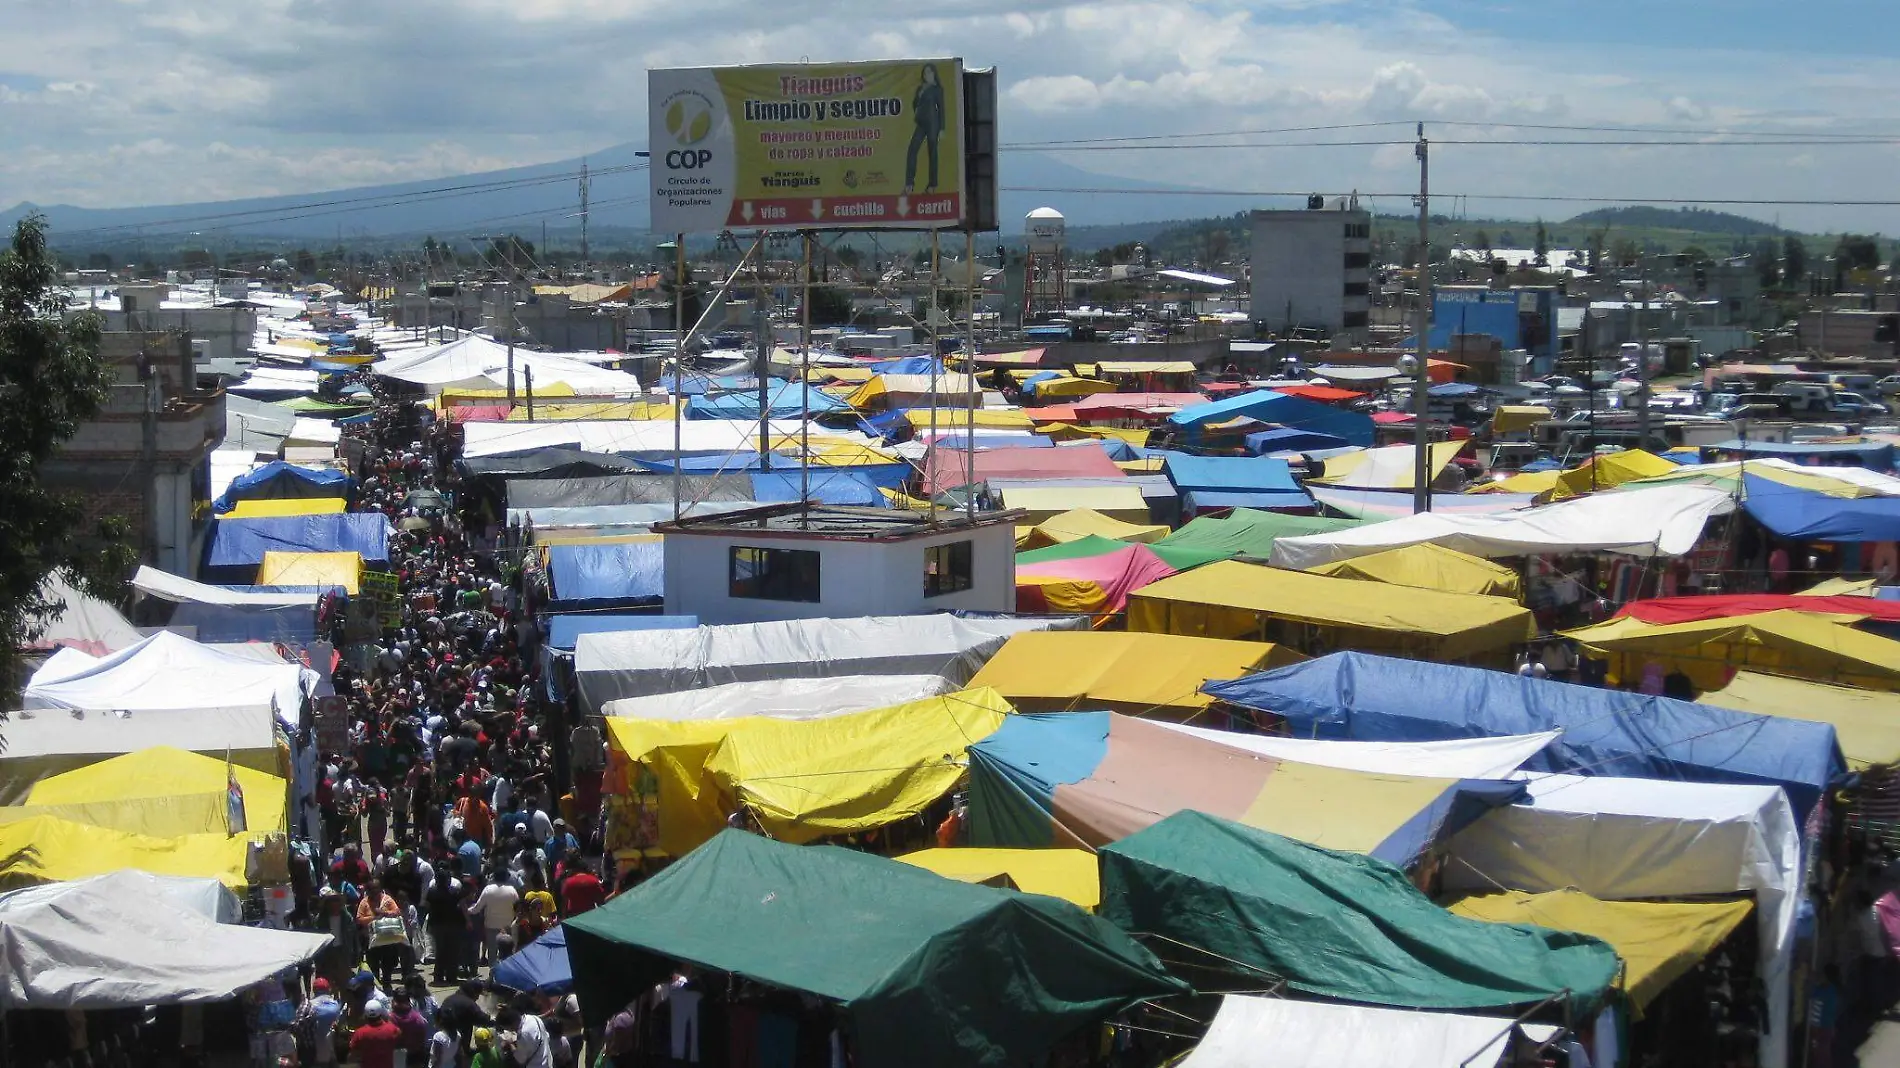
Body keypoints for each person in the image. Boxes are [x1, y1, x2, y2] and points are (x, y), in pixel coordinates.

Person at [902, 63, 945, 194]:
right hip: (921, 123)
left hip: (933, 123)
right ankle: (909, 183)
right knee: (912, 149)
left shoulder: (937, 89)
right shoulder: (920, 88)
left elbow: (941, 109)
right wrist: (919, 96)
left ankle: (932, 184)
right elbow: (914, 104)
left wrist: (942, 128)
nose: (927, 75)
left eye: (930, 72)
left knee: (932, 153)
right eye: (925, 73)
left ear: (934, 74)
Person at [469, 873, 521, 967]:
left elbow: (478, 907)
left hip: (491, 926)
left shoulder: (488, 889)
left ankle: (492, 975)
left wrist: (467, 910)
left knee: (492, 953)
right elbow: (518, 907)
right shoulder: (512, 890)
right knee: (507, 953)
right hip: (507, 926)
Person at [297, 977, 344, 1067]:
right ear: (327, 989)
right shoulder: (335, 1003)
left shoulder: (310, 1005)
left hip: (316, 1043)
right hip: (333, 1042)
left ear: (314, 990)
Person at [349, 1000, 405, 1068]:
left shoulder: (360, 1033)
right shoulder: (392, 1029)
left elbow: (353, 1054)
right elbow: (400, 1041)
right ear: (380, 1013)